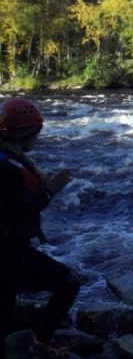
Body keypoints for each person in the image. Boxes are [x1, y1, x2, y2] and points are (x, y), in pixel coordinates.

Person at [0, 98, 80, 359]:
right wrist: (50, 192)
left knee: (67, 283)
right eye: (37, 131)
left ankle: (40, 341)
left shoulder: (10, 158)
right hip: (7, 254)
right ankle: (42, 342)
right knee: (67, 283)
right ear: (27, 133)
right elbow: (20, 213)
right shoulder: (7, 167)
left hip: (13, 249)